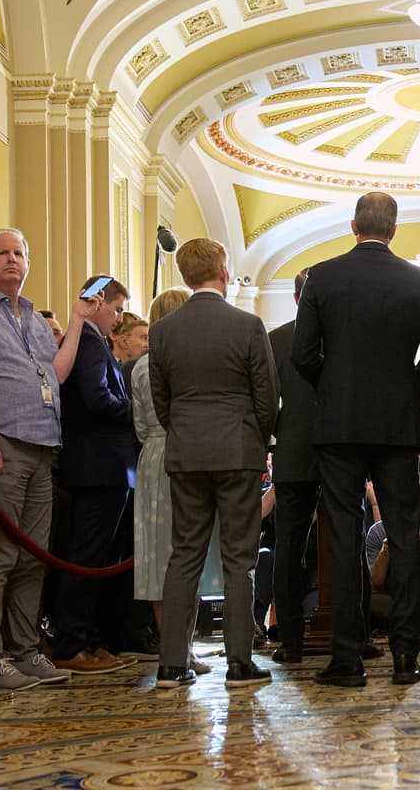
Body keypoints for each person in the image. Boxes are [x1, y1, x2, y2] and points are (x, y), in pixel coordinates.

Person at [292, 192, 420, 687]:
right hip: (395, 427)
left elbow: (302, 355)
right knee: (404, 537)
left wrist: (336, 388)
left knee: (343, 538)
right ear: (394, 229)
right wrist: (402, 391)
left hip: (338, 428)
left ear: (354, 225)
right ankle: (405, 657)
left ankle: (347, 659)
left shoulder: (322, 276)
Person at [0, 228, 94, 691]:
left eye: (19, 253)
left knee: (33, 558)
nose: (12, 260)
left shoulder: (33, 317)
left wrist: (76, 320)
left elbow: (58, 373)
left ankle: (25, 650)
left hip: (42, 444)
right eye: (3, 253)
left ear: (28, 262)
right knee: (0, 555)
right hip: (2, 443)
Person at [149, 238, 279, 690]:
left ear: (185, 277)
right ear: (224, 272)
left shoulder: (163, 331)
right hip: (238, 449)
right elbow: (267, 396)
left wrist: (184, 432)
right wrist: (259, 439)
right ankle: (240, 663)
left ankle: (171, 664)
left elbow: (161, 401)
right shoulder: (247, 324)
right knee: (239, 559)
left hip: (185, 452)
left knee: (184, 553)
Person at [51, 275, 138, 675]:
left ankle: (90, 638)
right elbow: (97, 399)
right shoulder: (86, 341)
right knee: (86, 557)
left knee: (99, 557)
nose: (119, 319)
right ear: (98, 303)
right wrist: (137, 413)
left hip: (106, 467)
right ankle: (72, 642)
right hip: (96, 466)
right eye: (117, 309)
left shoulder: (94, 342)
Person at [131, 289, 208, 672]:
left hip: (154, 457)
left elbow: (140, 424)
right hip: (177, 455)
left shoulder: (143, 364)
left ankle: (181, 647)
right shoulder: (167, 363)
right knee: (175, 556)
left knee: (170, 556)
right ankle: (178, 648)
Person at [268, 270, 321, 665]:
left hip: (291, 451)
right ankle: (354, 630)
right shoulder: (339, 337)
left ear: (295, 297)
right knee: (347, 540)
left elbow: (266, 403)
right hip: (339, 451)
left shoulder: (276, 339)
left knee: (289, 547)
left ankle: (290, 640)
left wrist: (276, 437)